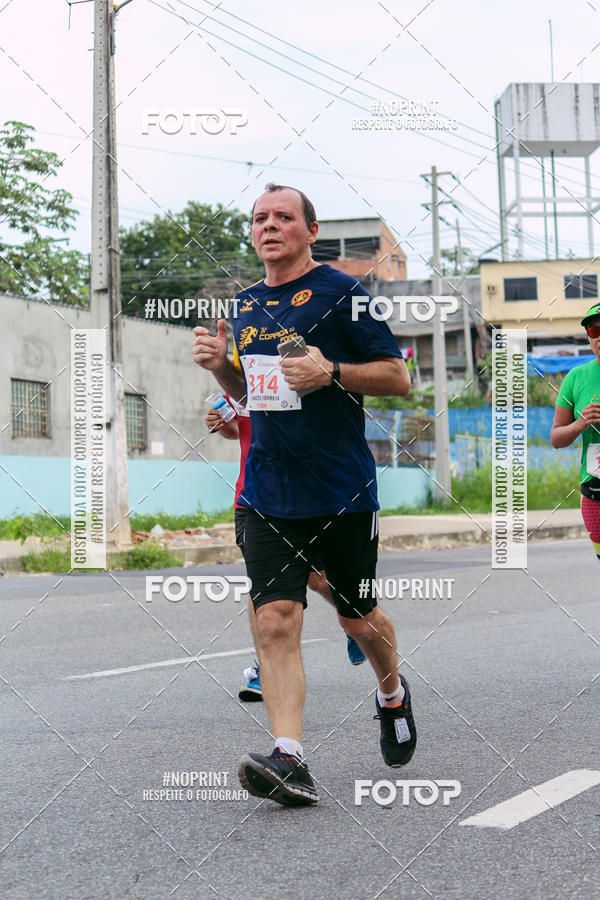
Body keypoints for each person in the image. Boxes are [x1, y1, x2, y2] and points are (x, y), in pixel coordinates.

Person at [192, 183, 415, 807]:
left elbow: (398, 376)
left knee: (358, 617)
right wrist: (221, 367)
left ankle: (392, 694)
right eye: (260, 218)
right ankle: (289, 758)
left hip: (340, 488)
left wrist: (332, 372)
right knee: (275, 618)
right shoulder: (244, 305)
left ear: (310, 231)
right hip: (267, 489)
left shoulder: (346, 294)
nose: (269, 226)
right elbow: (254, 393)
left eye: (283, 217)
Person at [204, 401, 366, 703]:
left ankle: (353, 617)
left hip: (304, 497)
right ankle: (267, 669)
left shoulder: (301, 376)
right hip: (252, 497)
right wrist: (222, 423)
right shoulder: (237, 377)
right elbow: (240, 428)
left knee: (318, 579)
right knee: (263, 586)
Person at [551, 302, 600, 559]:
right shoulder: (575, 377)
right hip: (595, 490)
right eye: (594, 331)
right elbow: (556, 438)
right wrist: (579, 424)